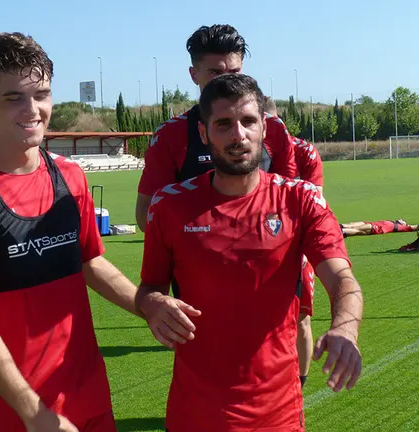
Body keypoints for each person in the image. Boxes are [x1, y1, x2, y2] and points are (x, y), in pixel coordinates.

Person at [0, 32, 173, 432]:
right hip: (10, 414)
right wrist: (34, 413)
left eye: (41, 94)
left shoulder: (70, 177)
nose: (33, 109)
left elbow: (91, 263)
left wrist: (146, 304)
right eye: (14, 98)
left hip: (87, 398)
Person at [137, 74, 363, 432]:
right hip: (194, 414)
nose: (238, 135)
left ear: (263, 129)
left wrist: (345, 330)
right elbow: (149, 287)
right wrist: (151, 305)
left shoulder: (300, 199)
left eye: (248, 122)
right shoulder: (169, 207)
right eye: (223, 124)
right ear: (204, 133)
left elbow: (342, 280)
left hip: (278, 415)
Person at [134, 23, 322, 386]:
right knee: (207, 339)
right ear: (194, 75)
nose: (225, 80)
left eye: (234, 72)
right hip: (202, 265)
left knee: (291, 325)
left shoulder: (267, 127)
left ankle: (290, 396)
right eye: (215, 73)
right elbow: (146, 215)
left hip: (272, 258)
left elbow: (292, 195)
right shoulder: (173, 136)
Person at [341, 219, 416, 237]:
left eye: (403, 220)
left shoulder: (399, 227)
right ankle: (341, 229)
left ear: (403, 224)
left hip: (375, 227)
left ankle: (340, 231)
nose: (400, 219)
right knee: (355, 228)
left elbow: (411, 228)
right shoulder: (392, 223)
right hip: (374, 226)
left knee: (356, 229)